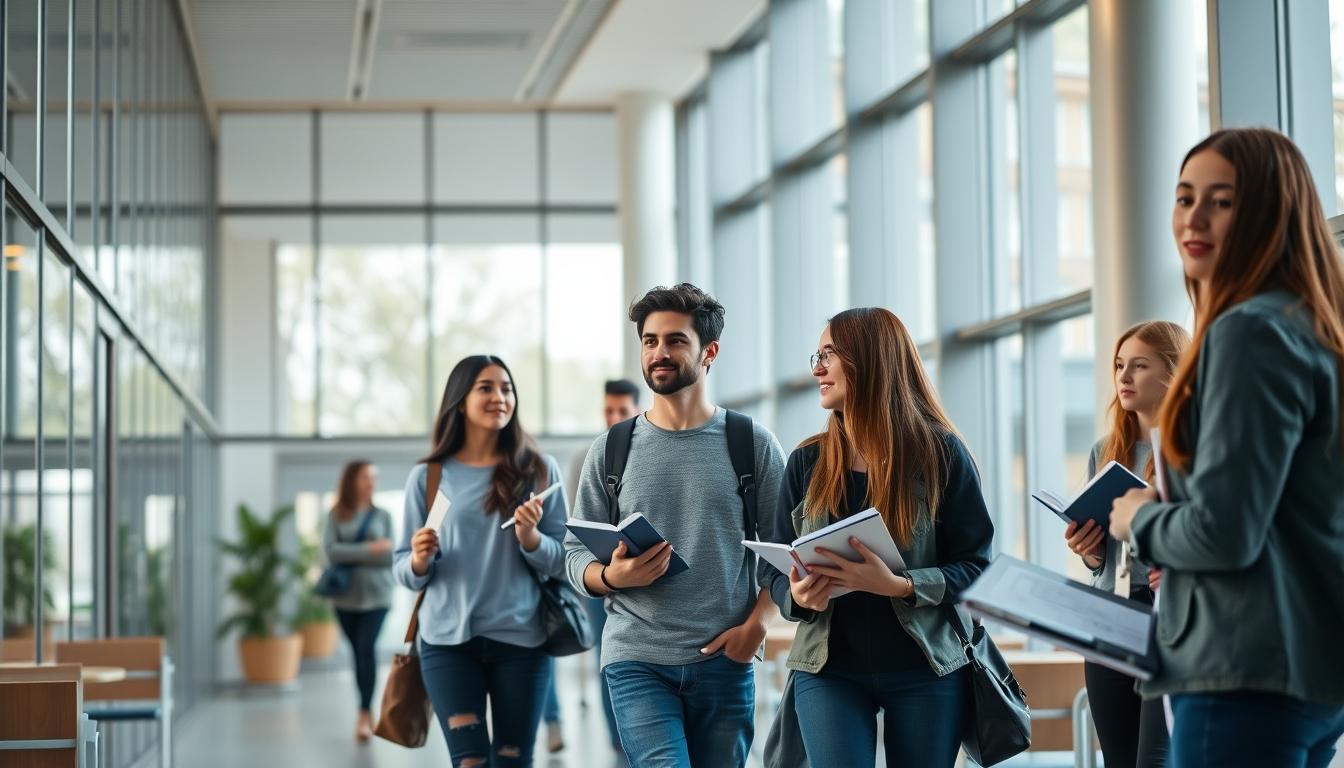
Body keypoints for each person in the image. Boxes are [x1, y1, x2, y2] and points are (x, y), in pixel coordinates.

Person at [1109, 128, 1344, 767]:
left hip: (1240, 670)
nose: (1194, 218)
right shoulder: (1317, 330)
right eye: (1185, 198)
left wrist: (1140, 518)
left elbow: (1225, 534)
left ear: (1270, 214)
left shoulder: (1249, 332)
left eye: (1222, 201)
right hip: (1308, 672)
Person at [565, 284, 787, 768]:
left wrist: (757, 626)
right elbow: (574, 551)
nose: (659, 352)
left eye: (675, 341)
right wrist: (609, 578)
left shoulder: (753, 444)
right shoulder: (611, 449)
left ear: (709, 351)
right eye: (649, 341)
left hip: (726, 659)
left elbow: (784, 553)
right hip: (635, 656)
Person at [764, 307, 993, 767]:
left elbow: (979, 568)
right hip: (828, 669)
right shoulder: (806, 462)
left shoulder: (941, 455)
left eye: (829, 354)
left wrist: (900, 586)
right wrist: (796, 596)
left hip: (924, 667)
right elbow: (770, 571)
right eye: (818, 354)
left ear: (870, 360)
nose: (816, 368)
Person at [395, 355, 568, 768]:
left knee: (512, 761)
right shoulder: (428, 477)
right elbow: (403, 568)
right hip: (447, 644)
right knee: (470, 762)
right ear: (459, 401)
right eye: (486, 388)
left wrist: (530, 539)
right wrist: (419, 561)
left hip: (521, 642)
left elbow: (565, 561)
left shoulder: (539, 470)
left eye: (506, 388)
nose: (499, 397)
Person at [1065, 321, 1188, 767]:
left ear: (1174, 373)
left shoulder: (1192, 448)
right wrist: (1090, 549)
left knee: (1154, 759)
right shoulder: (1107, 450)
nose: (1124, 377)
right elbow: (1103, 561)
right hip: (1110, 615)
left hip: (1169, 619)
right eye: (1119, 365)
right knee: (1118, 758)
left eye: (1139, 365)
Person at [564, 378, 641, 760]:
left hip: (645, 574)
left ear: (637, 410)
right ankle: (618, 741)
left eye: (621, 411)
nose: (613, 417)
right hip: (601, 573)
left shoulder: (647, 450)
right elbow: (575, 525)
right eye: (608, 410)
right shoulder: (590, 455)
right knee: (606, 659)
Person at [322, 459, 394, 743]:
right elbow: (331, 552)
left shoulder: (383, 515)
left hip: (378, 596)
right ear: (352, 480)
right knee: (357, 653)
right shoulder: (336, 515)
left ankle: (364, 713)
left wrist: (354, 551)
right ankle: (364, 707)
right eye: (366, 477)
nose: (371, 482)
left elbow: (391, 556)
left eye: (374, 477)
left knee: (366, 650)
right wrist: (371, 549)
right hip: (345, 598)